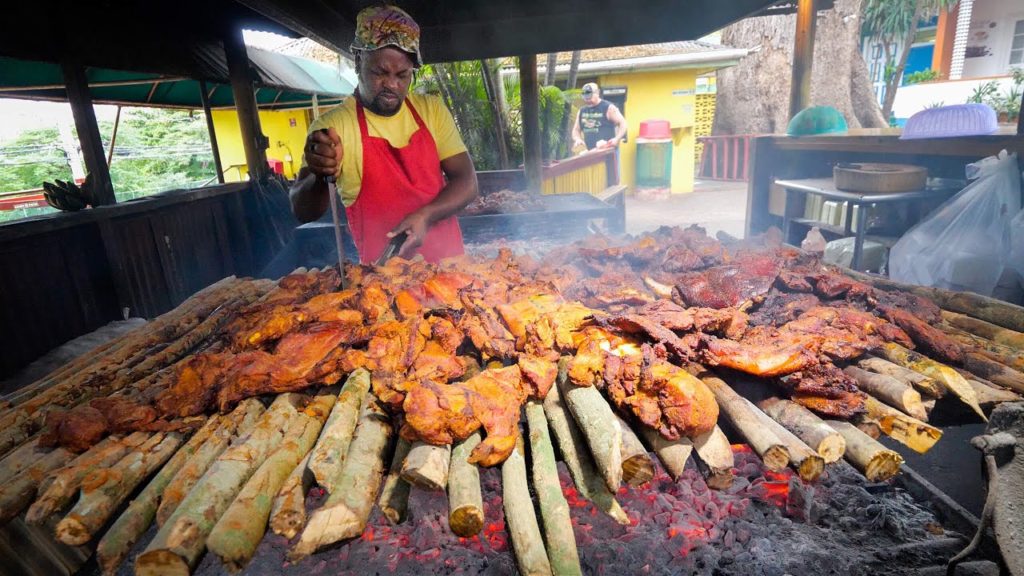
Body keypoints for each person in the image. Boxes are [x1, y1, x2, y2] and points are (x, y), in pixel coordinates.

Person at [290, 5, 478, 263]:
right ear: (358, 62)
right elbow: (303, 211)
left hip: (451, 272)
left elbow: (467, 182)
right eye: (380, 72)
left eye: (402, 75)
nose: (391, 84)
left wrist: (426, 215)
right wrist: (319, 175)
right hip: (380, 286)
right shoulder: (334, 127)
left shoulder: (431, 111)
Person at [571, 82, 628, 151]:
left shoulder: (608, 107)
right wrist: (578, 139)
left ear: (597, 93)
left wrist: (617, 138)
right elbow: (576, 130)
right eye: (586, 97)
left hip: (608, 151)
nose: (588, 100)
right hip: (591, 153)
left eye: (590, 96)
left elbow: (623, 123)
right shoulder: (582, 111)